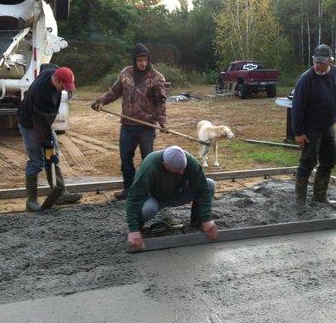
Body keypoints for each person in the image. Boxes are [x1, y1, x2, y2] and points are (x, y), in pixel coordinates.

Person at [91, 43, 168, 200]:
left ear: (149, 60)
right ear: (135, 60)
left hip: (146, 127)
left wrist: (163, 121)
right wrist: (101, 101)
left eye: (145, 60)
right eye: (140, 60)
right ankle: (129, 188)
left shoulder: (156, 77)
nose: (143, 63)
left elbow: (161, 102)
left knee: (148, 161)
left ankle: (148, 191)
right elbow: (114, 92)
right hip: (127, 126)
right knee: (126, 158)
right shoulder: (125, 73)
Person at [125, 145, 218, 251]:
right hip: (156, 198)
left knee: (209, 184)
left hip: (178, 194)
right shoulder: (150, 165)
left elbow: (203, 191)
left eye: (183, 169)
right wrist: (133, 229)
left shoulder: (191, 162)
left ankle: (198, 221)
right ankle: (139, 227)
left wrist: (207, 219)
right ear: (165, 165)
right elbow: (134, 197)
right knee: (147, 209)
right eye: (178, 171)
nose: (182, 173)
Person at [18, 66, 82, 211]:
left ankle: (60, 192)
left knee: (53, 156)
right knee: (36, 161)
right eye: (63, 87)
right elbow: (40, 125)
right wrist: (48, 146)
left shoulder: (52, 71)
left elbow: (45, 66)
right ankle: (31, 201)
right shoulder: (43, 94)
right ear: (56, 79)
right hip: (30, 123)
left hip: (43, 121)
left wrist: (50, 150)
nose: (64, 90)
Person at [291, 44, 336, 211]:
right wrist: (298, 133)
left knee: (329, 160)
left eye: (322, 63)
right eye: (316, 62)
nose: (318, 66)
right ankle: (300, 202)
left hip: (328, 127)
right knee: (307, 162)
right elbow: (297, 107)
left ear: (330, 61)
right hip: (311, 129)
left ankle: (319, 196)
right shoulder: (306, 80)